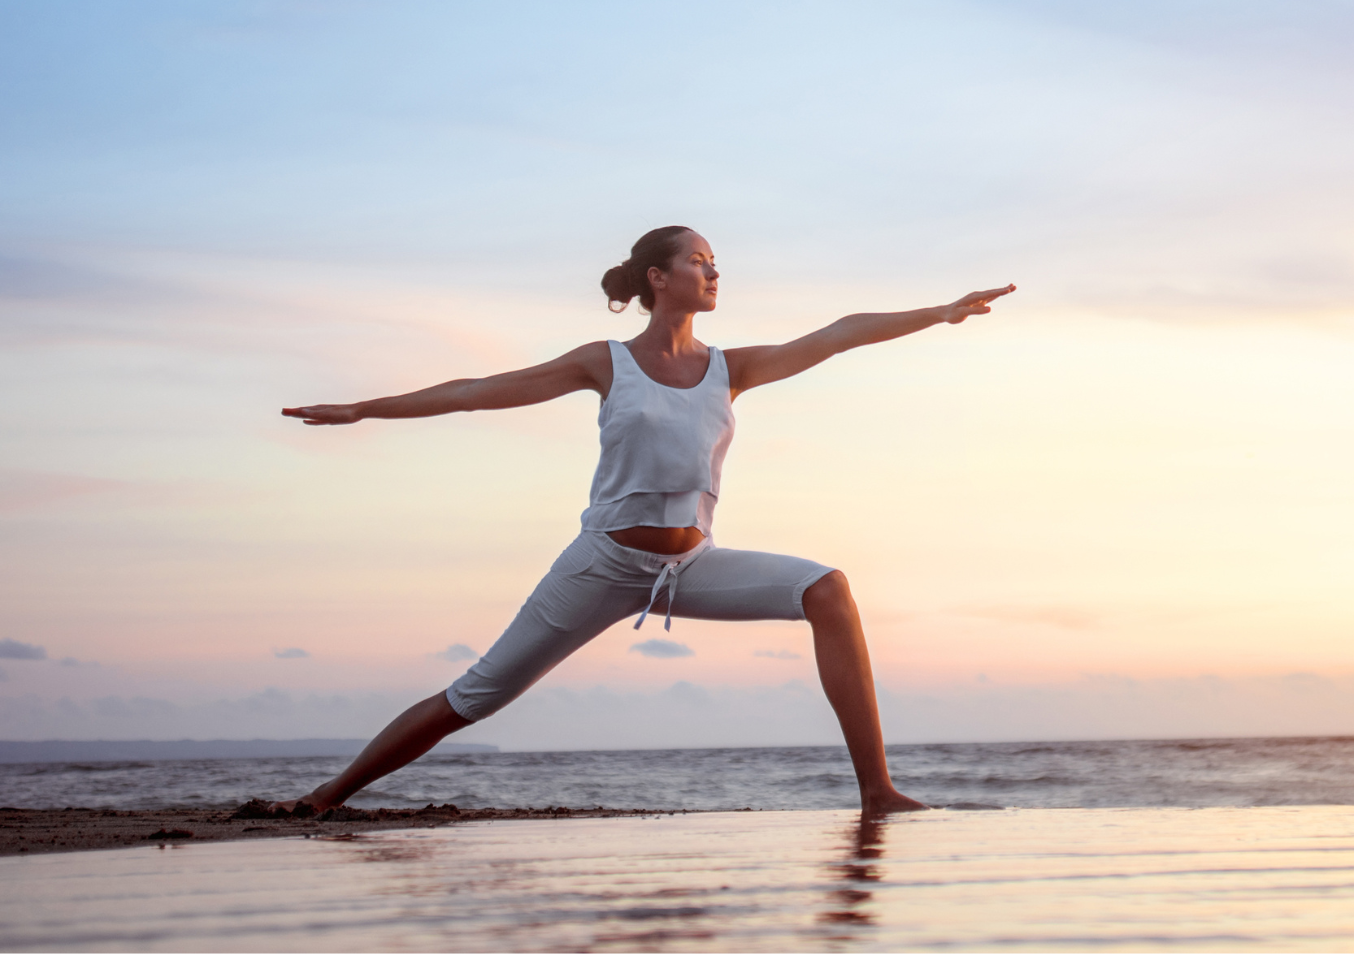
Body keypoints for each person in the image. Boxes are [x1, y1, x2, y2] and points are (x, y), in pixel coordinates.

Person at [273, 225, 1013, 817]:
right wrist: (365, 408)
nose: (714, 273)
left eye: (716, 262)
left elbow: (838, 332)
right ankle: (325, 798)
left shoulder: (732, 368)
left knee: (828, 591)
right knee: (472, 698)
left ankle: (877, 791)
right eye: (700, 261)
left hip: (691, 568)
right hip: (602, 566)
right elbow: (477, 389)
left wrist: (940, 312)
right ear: (659, 278)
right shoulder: (607, 363)